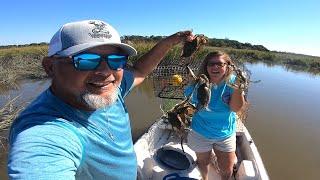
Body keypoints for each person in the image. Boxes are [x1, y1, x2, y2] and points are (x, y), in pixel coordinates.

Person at [7, 19, 193, 180]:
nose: (105, 72)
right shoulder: (43, 130)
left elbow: (140, 70)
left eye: (116, 59)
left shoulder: (111, 90)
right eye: (86, 60)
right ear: (50, 67)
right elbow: (40, 161)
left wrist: (170, 42)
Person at [184, 51, 246, 180]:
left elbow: (235, 108)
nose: (215, 67)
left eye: (219, 64)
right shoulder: (198, 83)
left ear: (227, 66)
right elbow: (190, 103)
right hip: (200, 131)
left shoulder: (234, 82)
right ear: (206, 67)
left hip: (224, 133)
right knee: (203, 162)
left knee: (227, 168)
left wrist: (238, 88)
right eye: (211, 64)